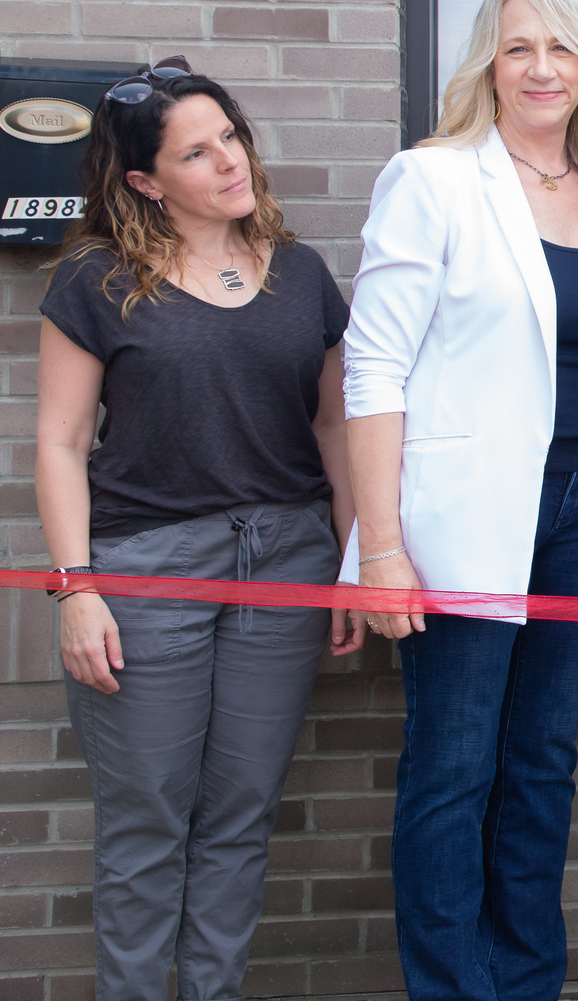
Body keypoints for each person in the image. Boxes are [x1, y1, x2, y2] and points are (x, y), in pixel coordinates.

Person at [344, 0, 578, 1001]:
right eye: (519, 47)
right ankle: (453, 987)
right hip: (462, 523)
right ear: (487, 63)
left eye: (562, 49)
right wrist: (384, 546)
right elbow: (372, 367)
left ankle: (526, 983)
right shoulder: (433, 178)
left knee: (540, 765)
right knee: (452, 772)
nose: (541, 68)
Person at [35, 56, 362, 1001]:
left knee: (240, 813)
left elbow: (334, 424)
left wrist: (350, 561)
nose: (229, 161)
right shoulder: (98, 278)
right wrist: (77, 586)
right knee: (146, 823)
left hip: (286, 559)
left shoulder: (299, 273)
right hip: (149, 571)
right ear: (145, 180)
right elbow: (58, 443)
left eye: (231, 136)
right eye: (196, 151)